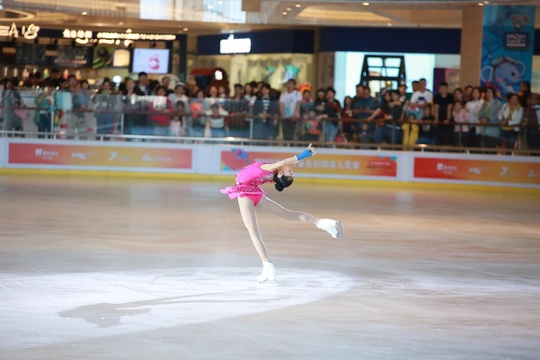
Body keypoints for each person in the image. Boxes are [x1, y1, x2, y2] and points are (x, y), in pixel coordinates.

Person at [220, 144, 343, 284]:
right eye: (292, 172)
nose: (292, 170)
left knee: (253, 232)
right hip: (256, 193)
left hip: (246, 194)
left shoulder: (270, 169)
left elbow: (286, 163)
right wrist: (306, 155)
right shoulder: (274, 175)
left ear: (280, 174)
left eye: (290, 172)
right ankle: (324, 223)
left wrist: (304, 154)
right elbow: (290, 163)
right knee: (288, 214)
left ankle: (267, 267)